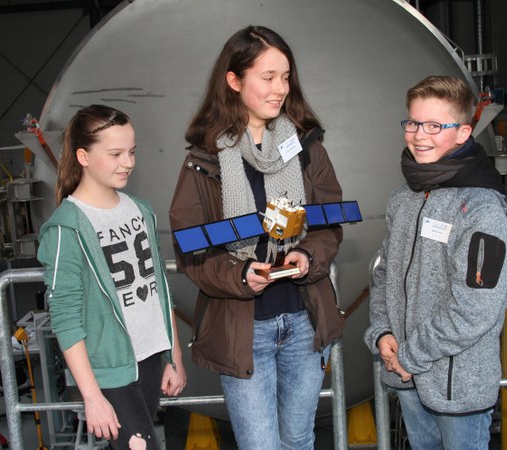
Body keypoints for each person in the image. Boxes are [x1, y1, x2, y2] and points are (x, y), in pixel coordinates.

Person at [169, 25, 344, 449]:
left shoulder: (306, 145)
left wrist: (308, 254)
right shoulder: (204, 159)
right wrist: (241, 274)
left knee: (299, 439)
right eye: (268, 77)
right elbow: (191, 248)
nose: (280, 88)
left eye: (285, 77)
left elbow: (328, 222)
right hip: (243, 330)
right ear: (234, 80)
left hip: (303, 321)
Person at [364, 75, 507, 450]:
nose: (419, 135)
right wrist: (382, 332)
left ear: (463, 133)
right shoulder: (404, 199)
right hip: (409, 379)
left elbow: (476, 308)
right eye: (413, 123)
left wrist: (410, 355)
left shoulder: (481, 210)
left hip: (457, 390)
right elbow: (385, 274)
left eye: (435, 126)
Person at [37, 104, 186, 450]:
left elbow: (160, 291)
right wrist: (91, 395)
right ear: (83, 157)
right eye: (115, 153)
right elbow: (65, 319)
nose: (128, 163)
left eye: (132, 152)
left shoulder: (140, 209)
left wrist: (173, 357)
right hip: (111, 369)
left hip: (150, 358)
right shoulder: (65, 228)